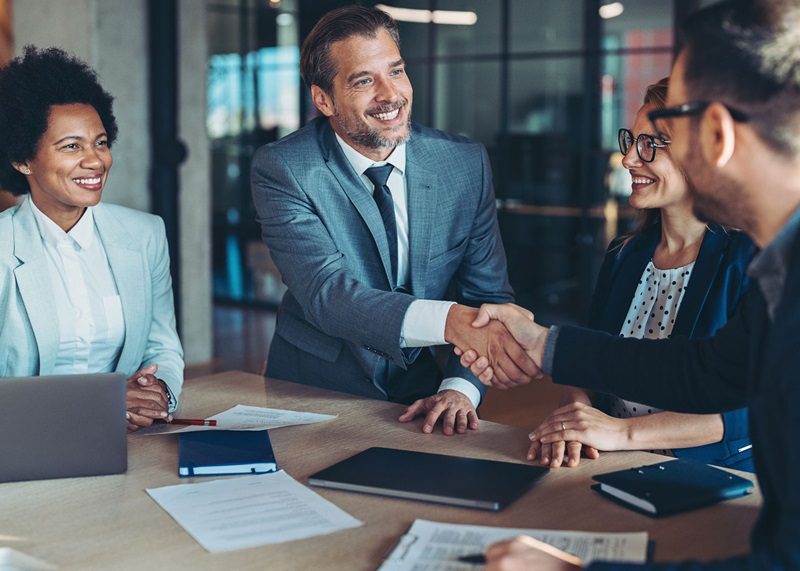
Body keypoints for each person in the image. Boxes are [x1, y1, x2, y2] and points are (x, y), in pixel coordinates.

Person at [458, 0, 800, 568]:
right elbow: (707, 371)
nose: (629, 158)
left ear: (714, 133)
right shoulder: (779, 270)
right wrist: (544, 344)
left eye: (665, 133)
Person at [250, 5, 535, 435]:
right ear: (323, 99)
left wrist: (459, 388)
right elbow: (329, 295)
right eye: (364, 81)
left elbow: (487, 294)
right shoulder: (284, 168)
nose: (390, 95)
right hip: (312, 387)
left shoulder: (464, 164)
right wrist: (451, 321)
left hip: (419, 390)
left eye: (396, 71)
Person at [529, 78, 754, 471]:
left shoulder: (748, 260)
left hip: (713, 476)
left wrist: (620, 433)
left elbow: (748, 408)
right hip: (607, 463)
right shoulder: (625, 254)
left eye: (650, 145)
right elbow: (590, 359)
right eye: (630, 141)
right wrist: (578, 419)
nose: (630, 159)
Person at [0, 47, 184, 432]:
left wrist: (157, 393)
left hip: (125, 439)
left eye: (100, 142)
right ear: (22, 159)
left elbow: (161, 345)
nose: (96, 160)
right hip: (23, 440)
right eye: (72, 146)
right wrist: (101, 403)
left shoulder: (145, 235)